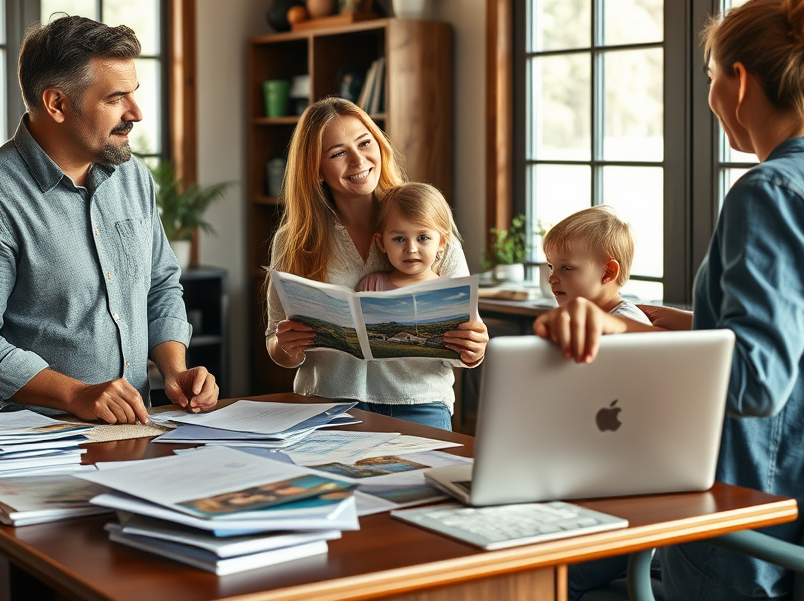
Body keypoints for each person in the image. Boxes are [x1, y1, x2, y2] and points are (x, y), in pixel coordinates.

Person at [535, 0, 804, 601]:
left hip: (745, 525)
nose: (709, 94)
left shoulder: (771, 193)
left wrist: (616, 326)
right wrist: (667, 318)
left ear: (739, 80)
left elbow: (755, 382)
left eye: (708, 77)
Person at [0, 15, 219, 424]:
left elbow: (159, 285)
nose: (136, 112)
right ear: (57, 104)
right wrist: (77, 395)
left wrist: (175, 369)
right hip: (29, 449)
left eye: (133, 94)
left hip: (132, 434)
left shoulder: (133, 176)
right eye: (116, 98)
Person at [265, 97, 488, 431]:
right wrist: (286, 346)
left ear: (379, 145)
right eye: (338, 153)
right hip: (325, 406)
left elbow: (467, 338)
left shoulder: (427, 226)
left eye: (364, 143)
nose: (358, 160)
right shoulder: (295, 240)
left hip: (420, 404)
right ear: (316, 170)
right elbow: (276, 343)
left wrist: (475, 348)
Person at [541, 206, 651, 325]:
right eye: (551, 267)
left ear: (608, 272)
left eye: (566, 268)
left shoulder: (625, 325)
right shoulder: (582, 317)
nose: (551, 279)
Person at [357, 182, 458, 290]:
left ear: (442, 242)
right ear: (381, 243)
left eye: (423, 238)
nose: (411, 249)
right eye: (400, 239)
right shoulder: (372, 285)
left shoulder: (450, 290)